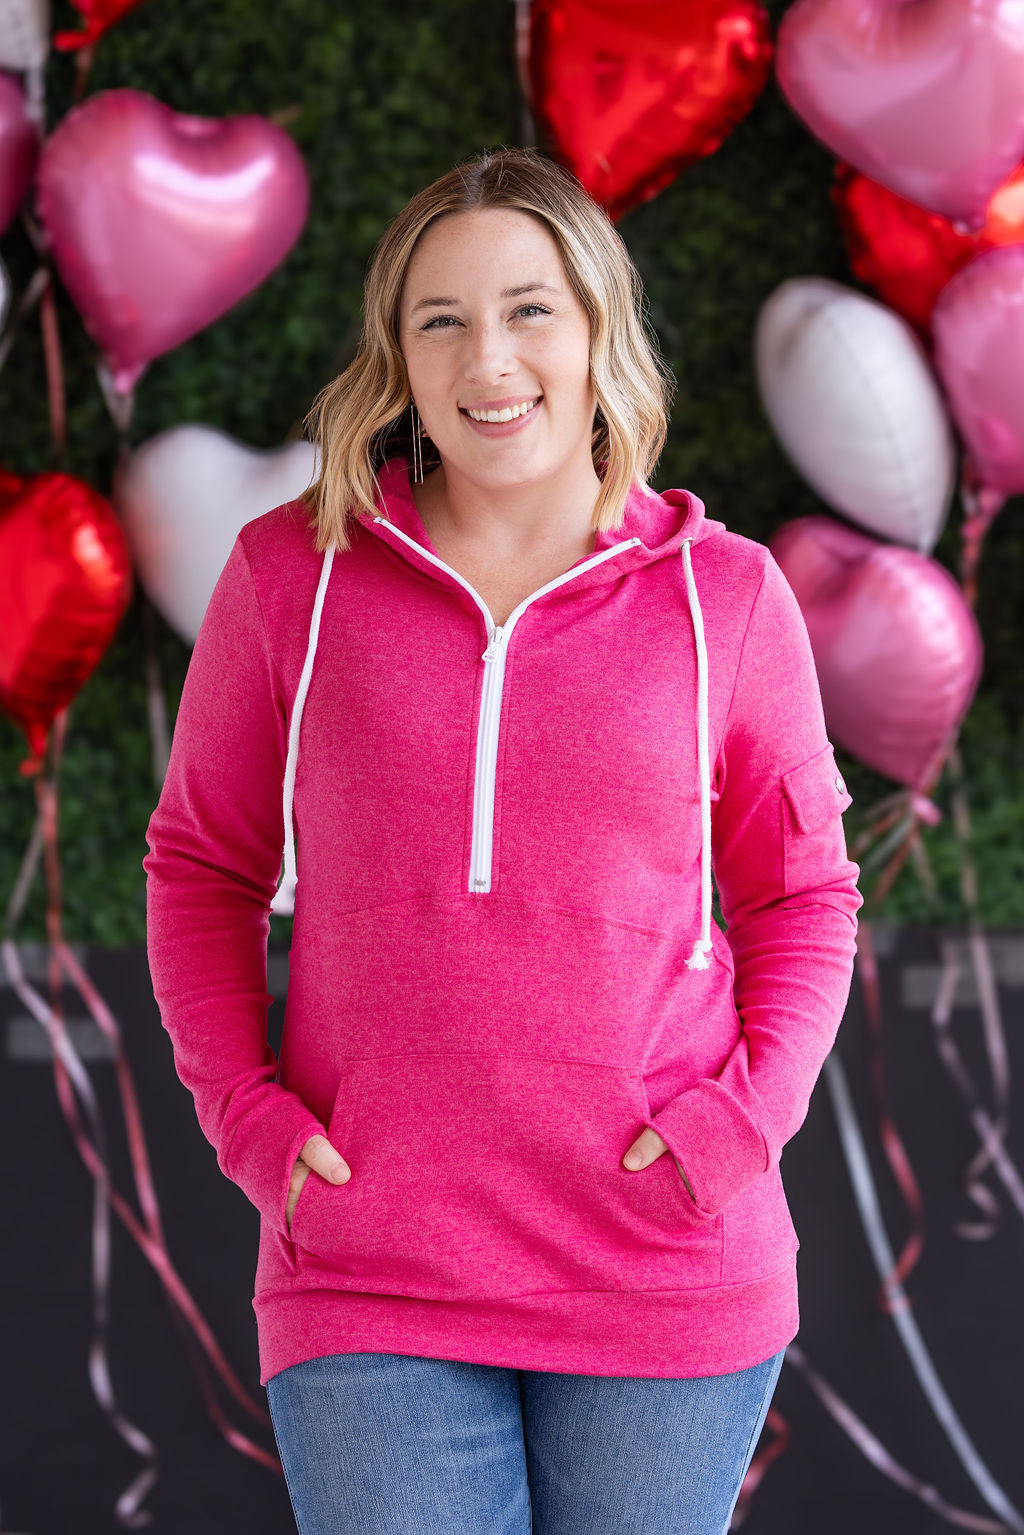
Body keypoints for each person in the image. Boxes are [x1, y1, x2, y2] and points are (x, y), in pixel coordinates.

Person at [143, 145, 863, 1534]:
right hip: (368, 1262)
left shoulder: (728, 597)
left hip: (662, 1262)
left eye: (531, 309)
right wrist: (247, 1120)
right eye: (443, 321)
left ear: (598, 328)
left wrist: (738, 1127)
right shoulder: (291, 578)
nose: (491, 359)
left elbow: (804, 899)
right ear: (399, 360)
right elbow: (201, 868)